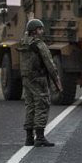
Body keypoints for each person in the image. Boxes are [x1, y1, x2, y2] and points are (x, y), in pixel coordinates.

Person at [18, 19, 62, 147]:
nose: (42, 31)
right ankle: (40, 138)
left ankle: (29, 138)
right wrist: (57, 81)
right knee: (42, 105)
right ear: (35, 31)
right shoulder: (39, 44)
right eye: (40, 29)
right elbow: (49, 64)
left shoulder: (23, 43)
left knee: (30, 105)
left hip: (26, 78)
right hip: (38, 79)